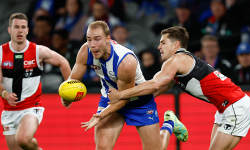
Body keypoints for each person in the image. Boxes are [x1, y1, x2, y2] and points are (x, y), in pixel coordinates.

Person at [93, 26, 250, 150]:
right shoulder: (178, 63)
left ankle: (170, 124)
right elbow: (154, 90)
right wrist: (128, 102)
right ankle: (171, 123)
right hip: (225, 108)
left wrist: (121, 95)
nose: (158, 47)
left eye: (163, 42)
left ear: (176, 44)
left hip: (235, 106)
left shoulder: (177, 59)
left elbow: (154, 84)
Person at [62, 20, 188, 150]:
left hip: (138, 100)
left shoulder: (125, 61)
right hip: (111, 98)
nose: (92, 45)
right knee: (103, 147)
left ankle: (169, 124)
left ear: (107, 39)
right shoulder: (86, 50)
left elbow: (123, 98)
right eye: (89, 39)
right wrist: (66, 95)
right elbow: (73, 81)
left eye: (97, 39)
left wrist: (100, 115)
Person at [0, 13, 71, 150]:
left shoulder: (38, 51)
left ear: (27, 30)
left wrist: (69, 91)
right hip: (9, 111)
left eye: (23, 27)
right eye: (16, 27)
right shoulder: (1, 53)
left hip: (31, 108)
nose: (20, 31)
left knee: (23, 139)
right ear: (9, 29)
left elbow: (63, 62)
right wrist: (4, 94)